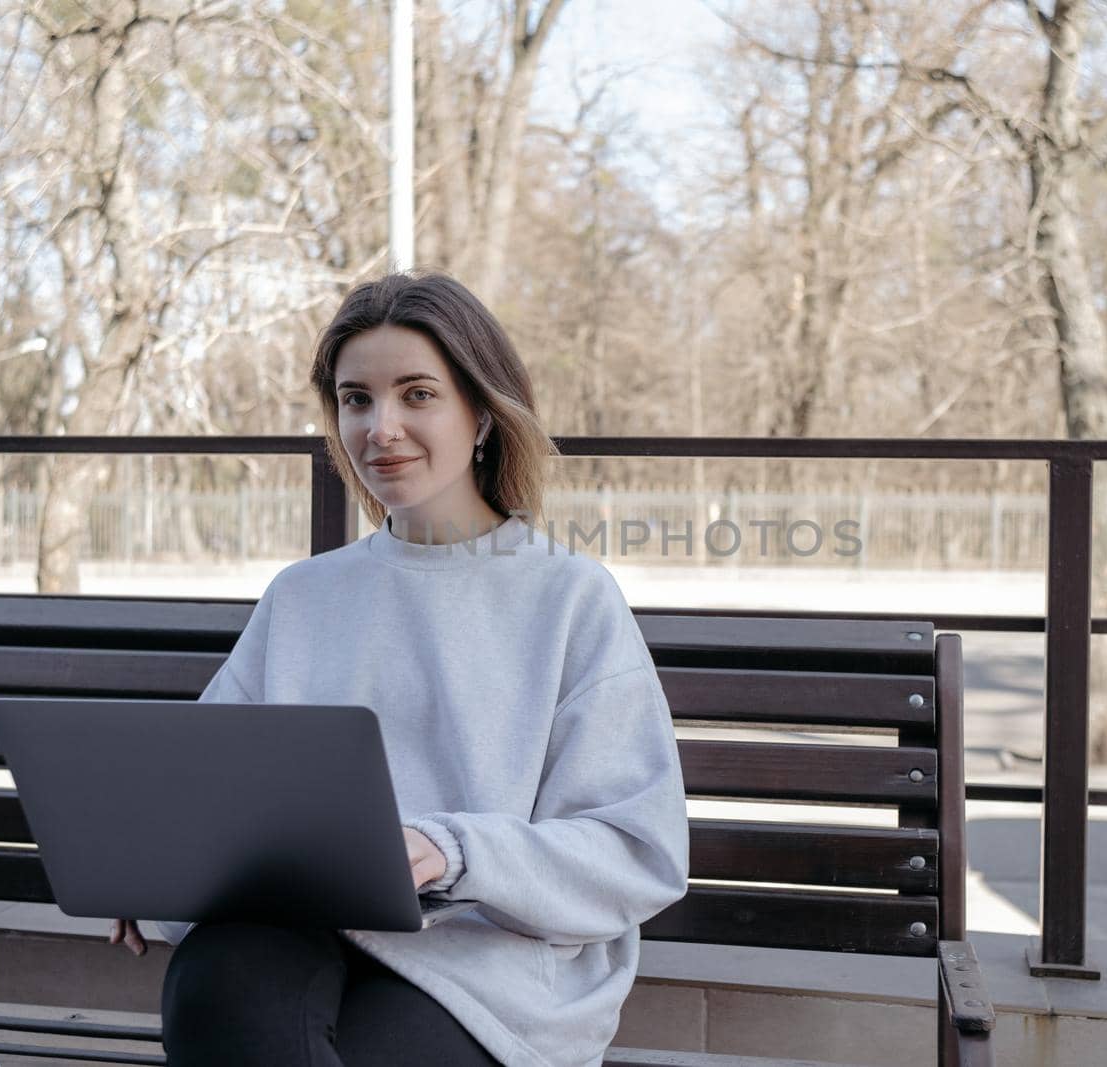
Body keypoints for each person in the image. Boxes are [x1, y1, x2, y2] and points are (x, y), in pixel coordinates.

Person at [107, 271, 690, 1067]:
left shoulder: (568, 598)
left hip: (489, 965)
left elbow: (638, 853)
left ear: (481, 412)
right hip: (297, 925)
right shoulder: (305, 595)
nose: (381, 427)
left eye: (418, 394)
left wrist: (452, 852)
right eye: (357, 399)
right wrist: (155, 870)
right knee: (219, 984)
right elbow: (210, 784)